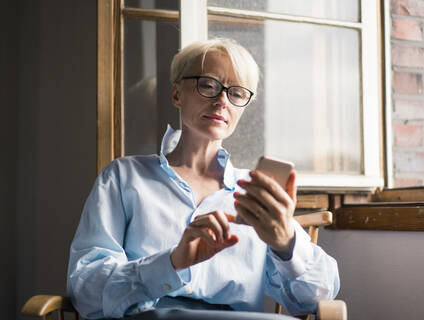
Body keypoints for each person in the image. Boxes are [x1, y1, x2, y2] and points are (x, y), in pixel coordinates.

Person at [67, 38, 339, 320]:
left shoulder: (255, 194)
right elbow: (86, 289)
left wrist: (286, 243)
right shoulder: (124, 177)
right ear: (176, 94)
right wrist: (171, 263)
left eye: (237, 93)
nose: (222, 101)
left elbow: (318, 298)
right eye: (208, 85)